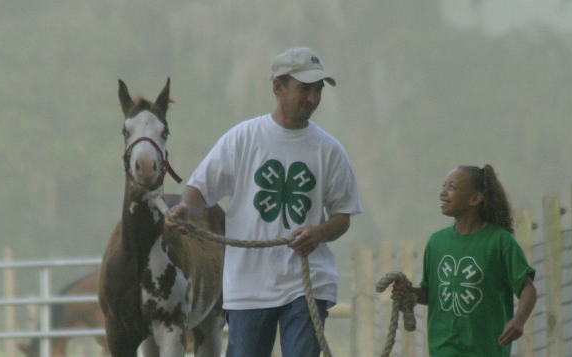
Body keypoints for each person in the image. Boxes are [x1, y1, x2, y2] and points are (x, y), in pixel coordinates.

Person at [168, 47, 361, 357]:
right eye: (305, 89)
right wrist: (184, 212)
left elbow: (342, 216)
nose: (313, 98)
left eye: (318, 90)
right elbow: (199, 193)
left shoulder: (329, 150)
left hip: (307, 280)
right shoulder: (242, 139)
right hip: (248, 286)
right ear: (278, 87)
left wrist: (320, 233)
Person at [392, 165, 538, 356]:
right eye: (444, 186)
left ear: (475, 198)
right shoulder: (436, 242)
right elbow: (432, 293)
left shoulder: (500, 241)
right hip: (442, 349)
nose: (442, 193)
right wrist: (410, 293)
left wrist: (519, 320)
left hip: (486, 350)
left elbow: (528, 288)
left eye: (451, 188)